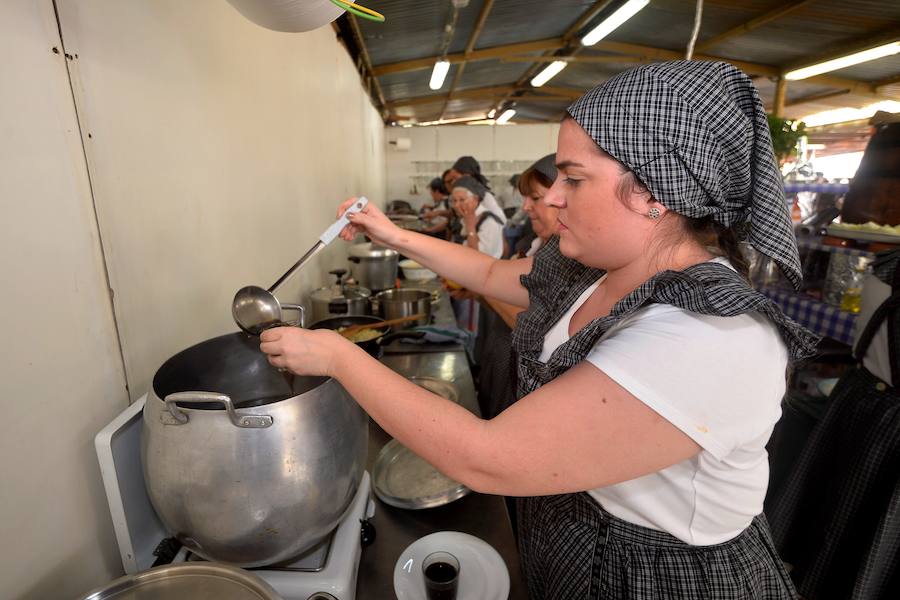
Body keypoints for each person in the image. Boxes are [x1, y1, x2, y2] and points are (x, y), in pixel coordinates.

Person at [260, 61, 818, 599]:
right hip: (573, 537)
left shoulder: (709, 335)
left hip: (655, 573)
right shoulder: (594, 267)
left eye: (573, 179)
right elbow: (485, 271)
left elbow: (485, 456)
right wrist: (390, 233)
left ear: (655, 192)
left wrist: (338, 357)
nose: (551, 197)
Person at [450, 175, 504, 259]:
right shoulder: (464, 219)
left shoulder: (489, 222)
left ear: (475, 199)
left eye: (462, 200)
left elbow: (481, 257)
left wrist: (471, 229)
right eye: (454, 201)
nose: (456, 205)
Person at [446, 156, 507, 226]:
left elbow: (501, 221)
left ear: (467, 176)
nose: (453, 183)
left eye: (455, 178)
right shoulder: (456, 195)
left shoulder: (484, 195)